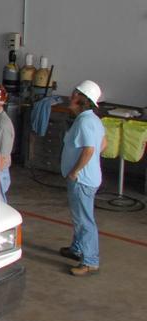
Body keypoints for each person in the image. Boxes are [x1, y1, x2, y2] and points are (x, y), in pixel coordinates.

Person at [60, 80, 106, 277]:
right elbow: (103, 143)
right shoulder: (93, 119)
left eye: (74, 94)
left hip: (81, 180)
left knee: (84, 220)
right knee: (80, 217)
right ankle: (77, 249)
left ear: (82, 99)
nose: (71, 97)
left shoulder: (85, 121)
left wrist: (75, 171)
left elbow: (89, 149)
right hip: (89, 177)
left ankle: (90, 261)